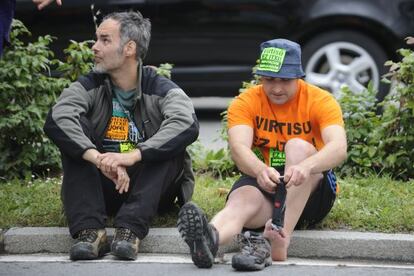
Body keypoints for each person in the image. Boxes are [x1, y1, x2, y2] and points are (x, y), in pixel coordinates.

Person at [177, 39, 347, 271]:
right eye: (269, 80)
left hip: (311, 189)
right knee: (242, 200)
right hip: (267, 182)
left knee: (298, 147)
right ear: (260, 78)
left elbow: (338, 147)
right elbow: (239, 149)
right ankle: (210, 239)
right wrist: (259, 170)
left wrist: (306, 166)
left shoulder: (321, 100)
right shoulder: (245, 102)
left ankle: (278, 239)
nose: (276, 88)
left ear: (299, 76)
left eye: (285, 80)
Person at [44, 11, 199, 261]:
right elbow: (58, 117)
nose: (94, 47)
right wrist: (100, 159)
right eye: (96, 39)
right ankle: (90, 230)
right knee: (73, 132)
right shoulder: (90, 84)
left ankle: (129, 230)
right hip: (102, 184)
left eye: (105, 40)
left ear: (129, 48)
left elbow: (187, 123)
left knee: (172, 145)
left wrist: (132, 156)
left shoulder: (159, 88)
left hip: (149, 188)